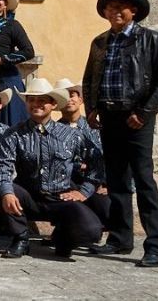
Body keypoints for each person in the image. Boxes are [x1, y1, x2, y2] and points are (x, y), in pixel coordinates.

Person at [83, 0, 158, 268]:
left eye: (120, 6)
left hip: (136, 119)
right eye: (110, 7)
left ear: (133, 10)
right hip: (109, 118)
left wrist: (144, 113)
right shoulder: (100, 42)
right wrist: (92, 109)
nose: (114, 12)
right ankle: (120, 239)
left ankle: (155, 245)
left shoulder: (154, 41)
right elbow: (89, 80)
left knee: (144, 180)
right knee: (117, 181)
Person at [0, 78, 105, 260]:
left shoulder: (72, 135)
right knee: (1, 187)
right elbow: (2, 166)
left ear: (53, 104)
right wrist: (7, 192)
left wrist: (84, 192)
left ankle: (64, 239)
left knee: (92, 231)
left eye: (42, 100)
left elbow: (96, 164)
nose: (36, 104)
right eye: (31, 100)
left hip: (60, 197)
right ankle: (21, 238)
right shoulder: (14, 134)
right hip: (28, 197)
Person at [54, 78, 110, 226]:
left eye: (72, 94)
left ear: (80, 100)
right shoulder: (53, 131)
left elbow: (106, 157)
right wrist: (78, 166)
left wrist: (107, 183)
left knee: (107, 208)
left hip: (94, 182)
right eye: (64, 96)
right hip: (66, 183)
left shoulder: (94, 128)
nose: (69, 100)